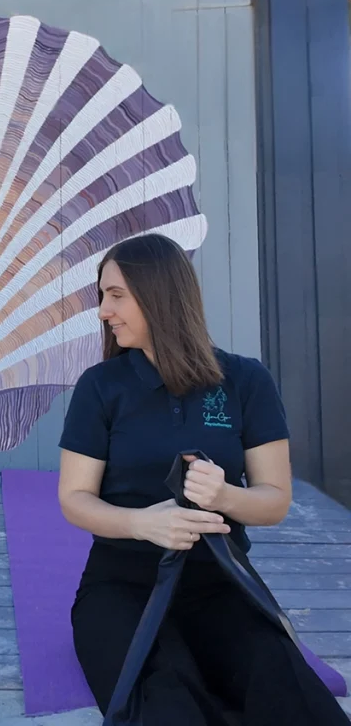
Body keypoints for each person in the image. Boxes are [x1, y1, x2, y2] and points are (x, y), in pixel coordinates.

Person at [58, 234, 349, 724]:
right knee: (166, 704)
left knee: (289, 691)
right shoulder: (101, 387)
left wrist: (226, 495)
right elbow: (74, 499)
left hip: (222, 584)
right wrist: (142, 524)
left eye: (116, 295)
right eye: (102, 295)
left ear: (159, 293)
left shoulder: (245, 381)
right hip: (122, 587)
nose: (103, 310)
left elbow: (275, 501)